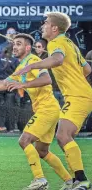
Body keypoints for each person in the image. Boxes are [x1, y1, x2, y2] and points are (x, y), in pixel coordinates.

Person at [0, 33, 73, 190]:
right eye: (14, 44)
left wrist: (24, 85)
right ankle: (69, 181)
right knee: (42, 151)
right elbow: (2, 84)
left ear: (28, 47)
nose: (14, 46)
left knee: (24, 140)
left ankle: (39, 179)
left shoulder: (33, 60)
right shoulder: (22, 66)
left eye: (19, 44)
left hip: (47, 109)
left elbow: (47, 79)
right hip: (47, 109)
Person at [15, 12, 92, 190]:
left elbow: (57, 60)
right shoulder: (69, 43)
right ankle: (75, 180)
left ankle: (81, 180)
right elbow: (86, 69)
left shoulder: (56, 43)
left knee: (63, 136)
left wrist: (32, 65)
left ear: (54, 28)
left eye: (46, 23)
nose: (43, 25)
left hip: (77, 96)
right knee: (62, 137)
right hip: (80, 95)